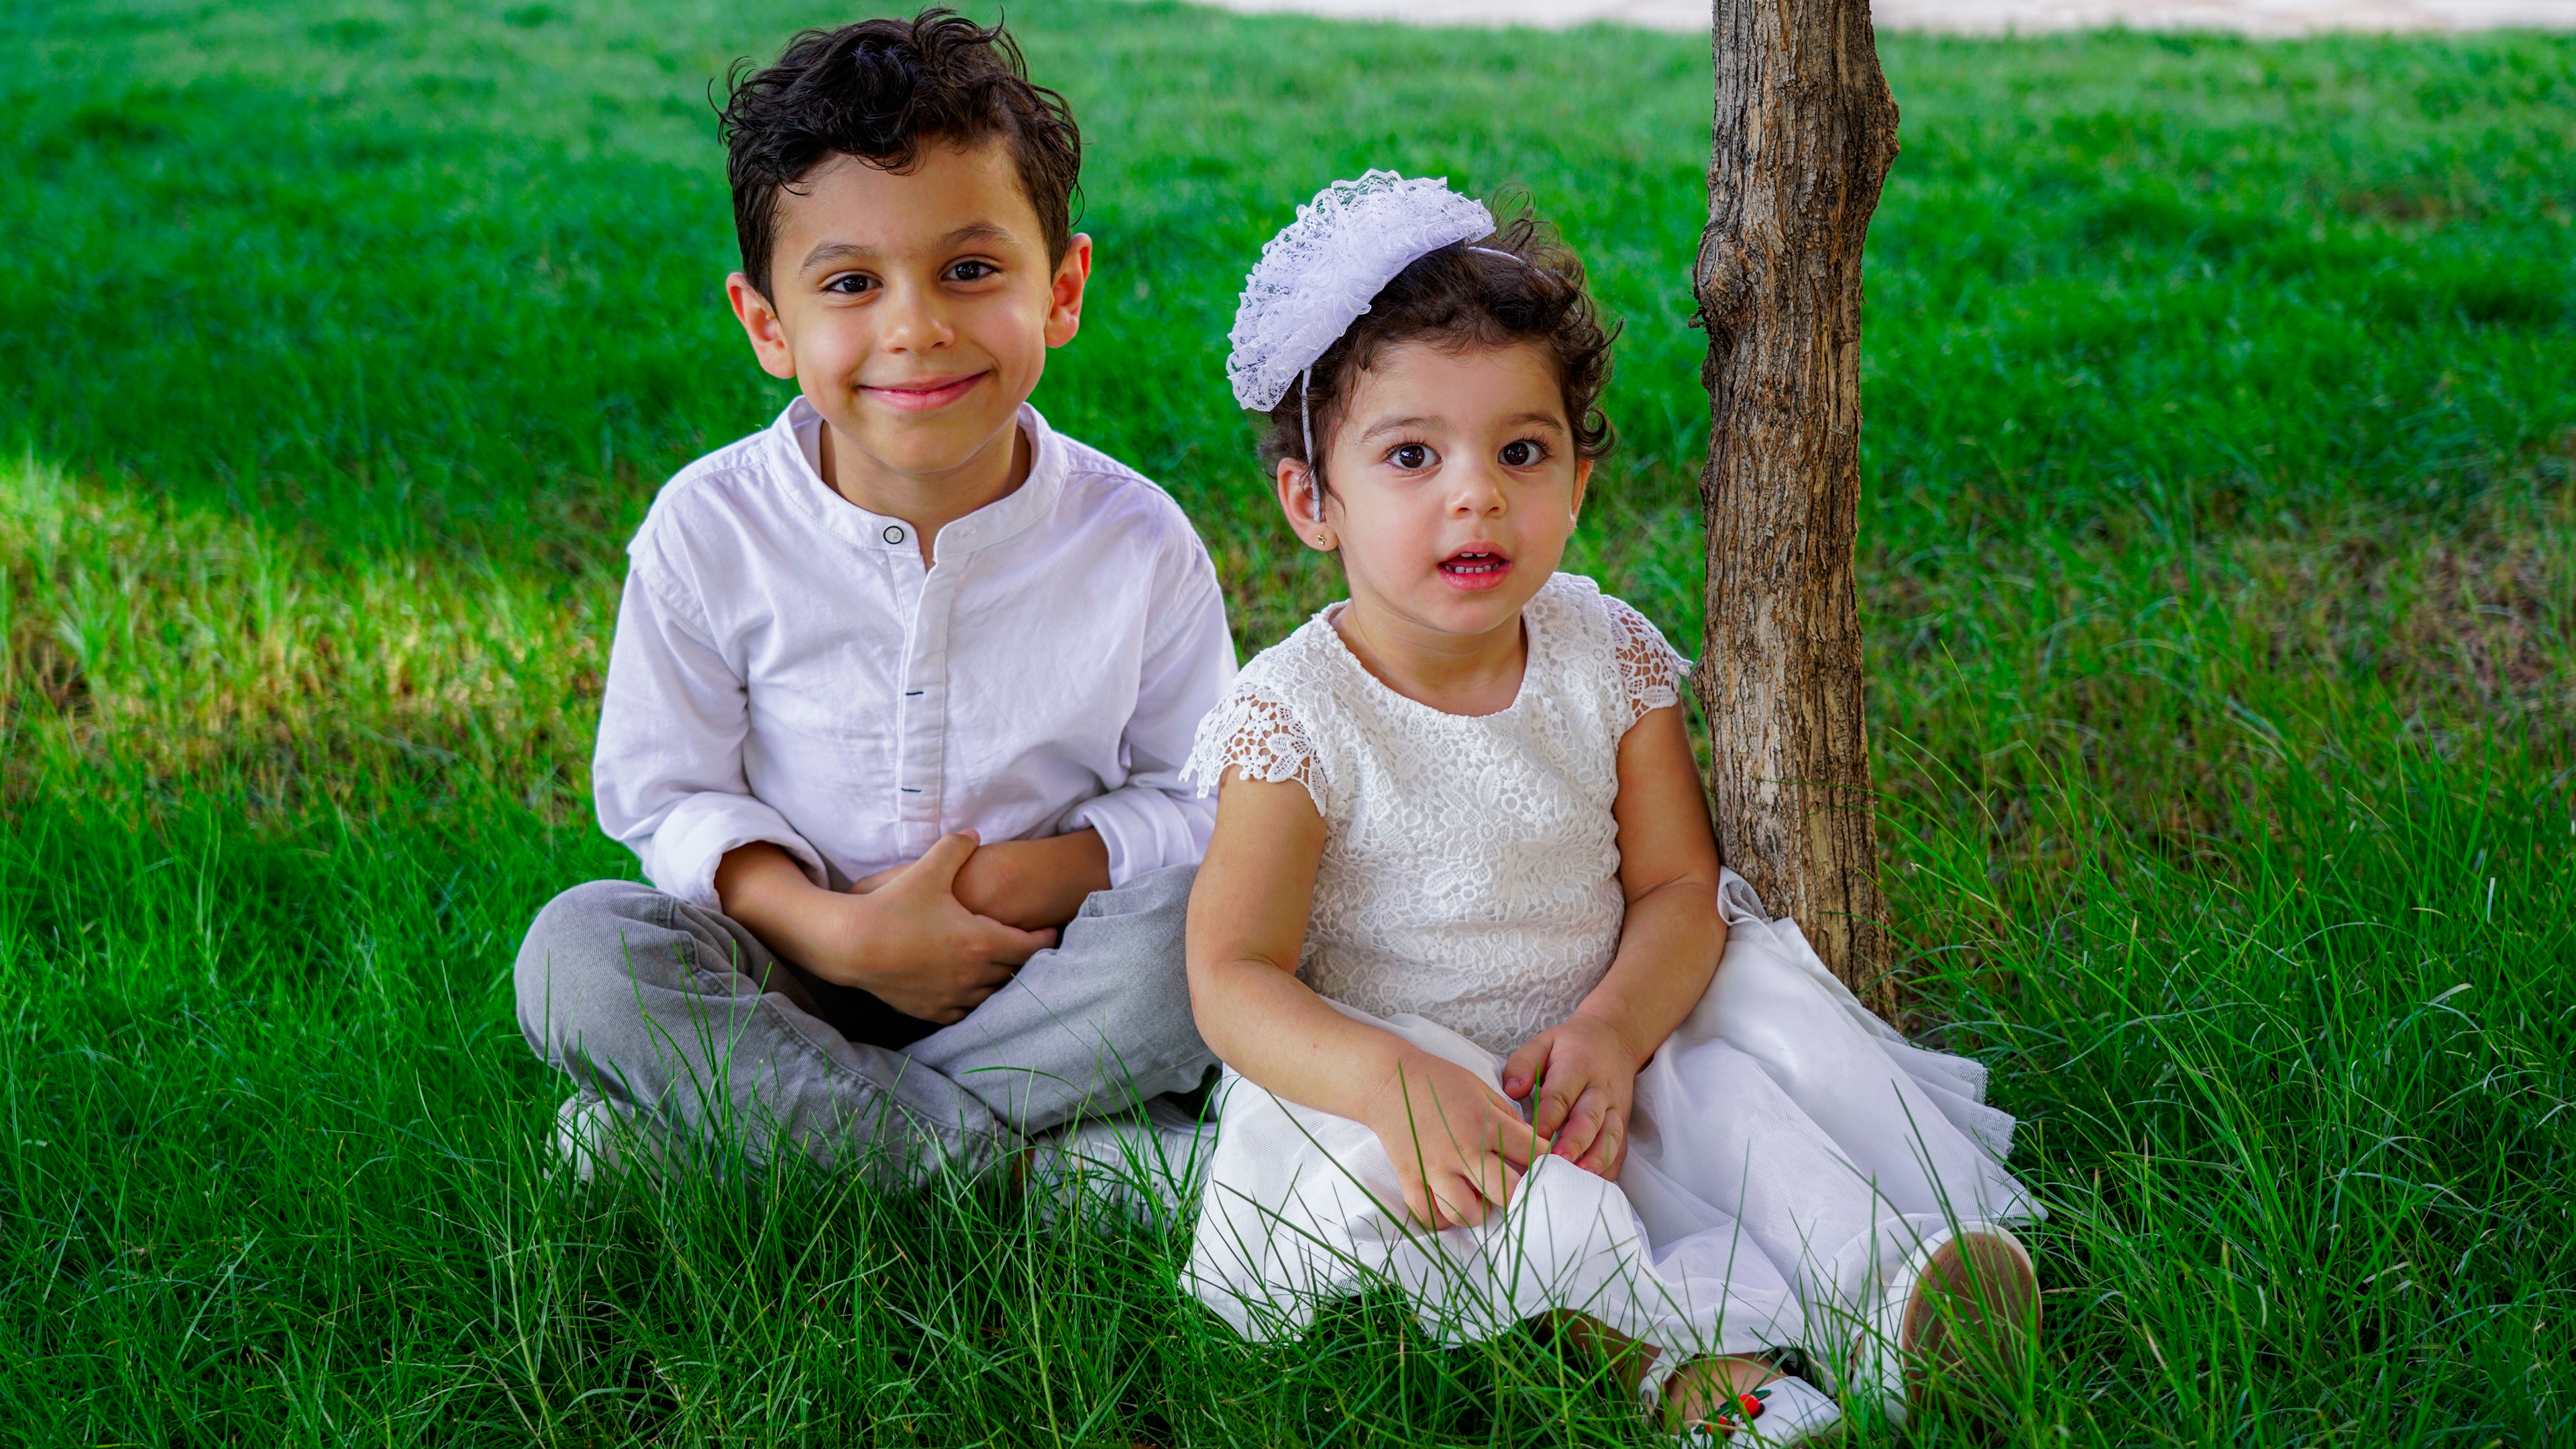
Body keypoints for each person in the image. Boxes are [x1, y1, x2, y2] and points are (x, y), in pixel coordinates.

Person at [1178, 173, 2041, 1442]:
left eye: (1520, 452)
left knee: (1741, 1110)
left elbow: (1679, 887)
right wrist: (1385, 1078)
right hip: (1404, 1086)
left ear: (1577, 481)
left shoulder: (1605, 654)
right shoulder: (1298, 716)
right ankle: (1701, 1383)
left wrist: (1616, 1030)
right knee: (1531, 1222)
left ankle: (1891, 1295)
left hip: (1606, 1033)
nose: (1476, 494)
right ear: (1314, 502)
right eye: (1411, 456)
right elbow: (1231, 973)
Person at [513, 11, 1233, 1181]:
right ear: (768, 325)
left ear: (1062, 289)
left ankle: (774, 1146)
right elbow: (667, 796)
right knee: (580, 955)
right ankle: (1035, 1176)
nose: (916, 328)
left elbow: (1199, 804)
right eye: (851, 282)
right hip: (790, 972)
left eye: (970, 270)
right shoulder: (709, 529)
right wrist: (841, 932)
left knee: (1212, 923)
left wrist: (1010, 884)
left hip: (1041, 971)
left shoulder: (1137, 541)